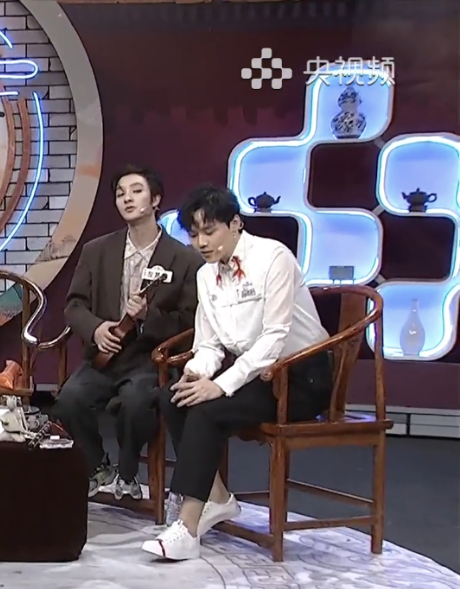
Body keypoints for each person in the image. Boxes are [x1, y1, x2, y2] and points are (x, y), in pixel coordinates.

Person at [142, 185, 332, 561]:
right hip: (255, 374)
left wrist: (221, 386)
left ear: (235, 224)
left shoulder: (273, 258)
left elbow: (275, 337)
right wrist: (196, 374)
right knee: (174, 398)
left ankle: (187, 527)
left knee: (207, 410)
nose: (201, 242)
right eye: (194, 234)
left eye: (209, 231)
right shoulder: (205, 275)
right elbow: (210, 344)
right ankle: (216, 497)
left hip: (300, 376)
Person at [54, 165, 203, 499]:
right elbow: (74, 306)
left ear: (156, 200)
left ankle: (127, 471)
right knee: (69, 400)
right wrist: (96, 329)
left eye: (136, 191)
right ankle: (97, 466)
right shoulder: (97, 250)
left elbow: (190, 322)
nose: (127, 199)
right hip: (104, 355)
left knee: (136, 403)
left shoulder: (184, 259)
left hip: (150, 358)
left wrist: (150, 316)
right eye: (120, 193)